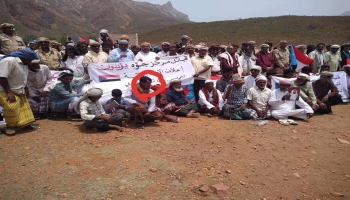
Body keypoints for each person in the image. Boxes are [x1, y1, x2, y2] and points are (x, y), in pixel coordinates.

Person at [0, 48, 39, 134]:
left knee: (24, 107)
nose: (31, 61)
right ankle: (10, 127)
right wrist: (8, 91)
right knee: (11, 106)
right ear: (24, 57)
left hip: (18, 89)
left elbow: (23, 77)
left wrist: (26, 88)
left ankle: (25, 124)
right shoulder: (9, 61)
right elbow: (2, 77)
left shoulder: (24, 63)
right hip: (4, 89)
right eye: (31, 59)